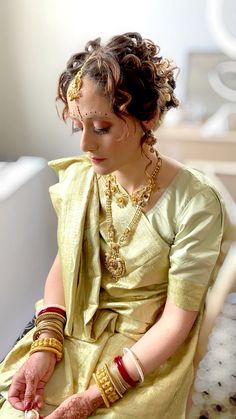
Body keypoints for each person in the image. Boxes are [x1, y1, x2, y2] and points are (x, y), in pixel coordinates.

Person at [0, 32, 227, 418]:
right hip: (74, 332)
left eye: (101, 128)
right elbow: (64, 265)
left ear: (148, 116)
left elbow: (176, 321)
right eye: (79, 128)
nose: (85, 145)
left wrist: (96, 394)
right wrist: (46, 344)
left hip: (146, 354)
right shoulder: (82, 181)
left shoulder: (195, 203)